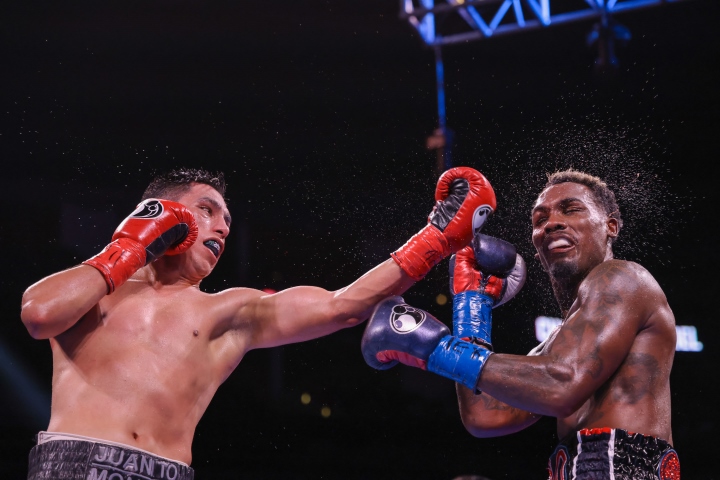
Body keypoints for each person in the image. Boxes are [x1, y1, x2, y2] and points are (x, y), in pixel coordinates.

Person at [19, 166, 497, 480]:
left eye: (226, 219)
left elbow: (343, 306)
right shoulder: (93, 291)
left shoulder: (227, 311)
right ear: (164, 214)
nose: (223, 227)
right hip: (71, 464)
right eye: (207, 211)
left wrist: (438, 238)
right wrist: (130, 246)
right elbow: (39, 314)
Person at [361, 169, 680, 479]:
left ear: (610, 225)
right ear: (537, 249)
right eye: (540, 220)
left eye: (571, 210)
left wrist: (435, 347)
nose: (552, 222)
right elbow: (484, 414)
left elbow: (562, 386)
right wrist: (473, 309)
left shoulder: (623, 277)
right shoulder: (559, 343)